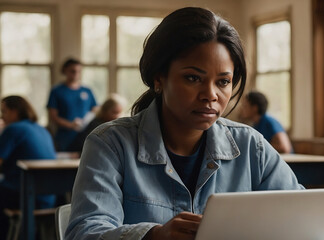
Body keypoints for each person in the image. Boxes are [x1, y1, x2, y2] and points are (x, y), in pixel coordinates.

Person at [65, 7, 304, 240]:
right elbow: (85, 231)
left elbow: (304, 219)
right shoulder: (110, 144)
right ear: (159, 78)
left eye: (223, 82)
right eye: (193, 78)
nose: (210, 95)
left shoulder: (252, 146)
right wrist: (154, 235)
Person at [0, 96, 57, 239]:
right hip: (48, 198)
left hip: (24, 195)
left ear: (15, 111)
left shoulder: (13, 129)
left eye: (4, 112)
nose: (2, 117)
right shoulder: (42, 129)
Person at [47, 58, 98, 151]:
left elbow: (95, 109)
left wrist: (85, 122)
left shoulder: (87, 90)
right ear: (65, 71)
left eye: (79, 71)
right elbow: (53, 116)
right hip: (64, 137)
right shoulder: (56, 91)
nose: (76, 74)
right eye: (73, 71)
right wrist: (71, 125)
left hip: (85, 135)